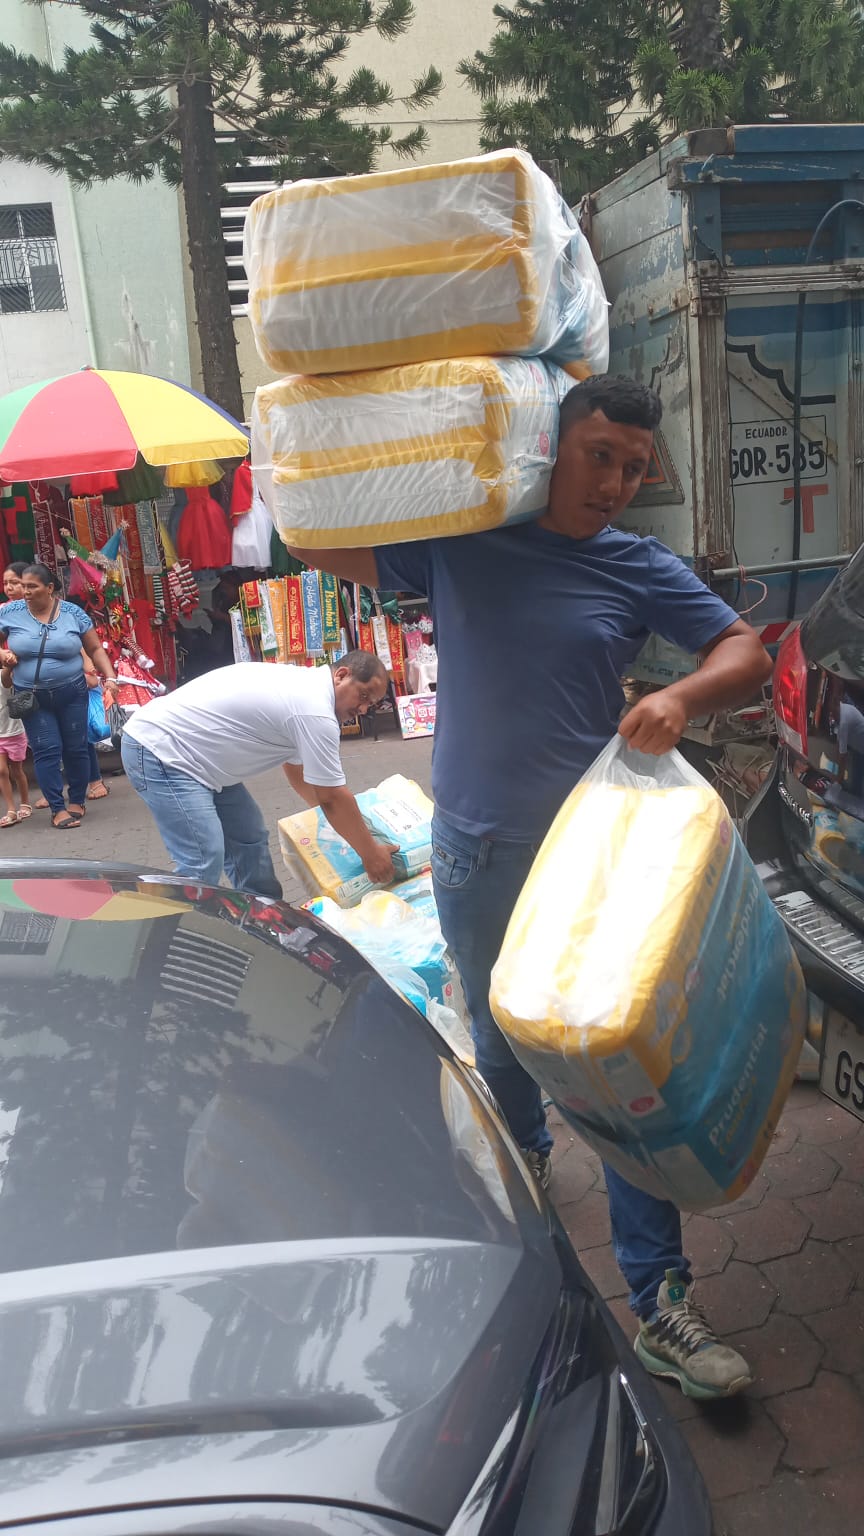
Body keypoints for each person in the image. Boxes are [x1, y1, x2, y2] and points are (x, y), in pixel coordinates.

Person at [288, 375, 774, 1402]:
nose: (614, 483)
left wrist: (681, 698)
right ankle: (528, 1178)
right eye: (600, 456)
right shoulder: (465, 544)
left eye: (633, 469)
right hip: (473, 850)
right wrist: (307, 448)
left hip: (594, 860)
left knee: (615, 1058)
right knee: (501, 1041)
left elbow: (746, 652)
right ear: (551, 445)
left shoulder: (636, 565)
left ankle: (660, 1297)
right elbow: (315, 544)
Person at [120, 652, 396, 899]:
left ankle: (263, 918)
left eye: (370, 705)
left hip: (202, 760)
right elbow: (331, 798)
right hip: (162, 750)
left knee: (249, 837)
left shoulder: (306, 691)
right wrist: (370, 854)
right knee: (203, 859)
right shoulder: (316, 711)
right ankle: (167, 932)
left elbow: (298, 772)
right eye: (363, 696)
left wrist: (345, 829)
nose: (362, 710)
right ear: (342, 675)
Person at [0, 563, 120, 829]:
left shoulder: (72, 613)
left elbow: (95, 649)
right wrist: (3, 655)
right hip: (32, 697)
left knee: (76, 747)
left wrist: (110, 677)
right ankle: (57, 808)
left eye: (32, 586)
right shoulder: (9, 613)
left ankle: (77, 800)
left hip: (72, 693)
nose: (26, 591)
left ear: (49, 588)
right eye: (23, 586)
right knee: (47, 749)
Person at [0, 675, 31, 827]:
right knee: (1, 771)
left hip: (14, 733)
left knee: (17, 771)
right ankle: (11, 809)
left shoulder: (3, 676)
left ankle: (25, 803)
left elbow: (7, 677)